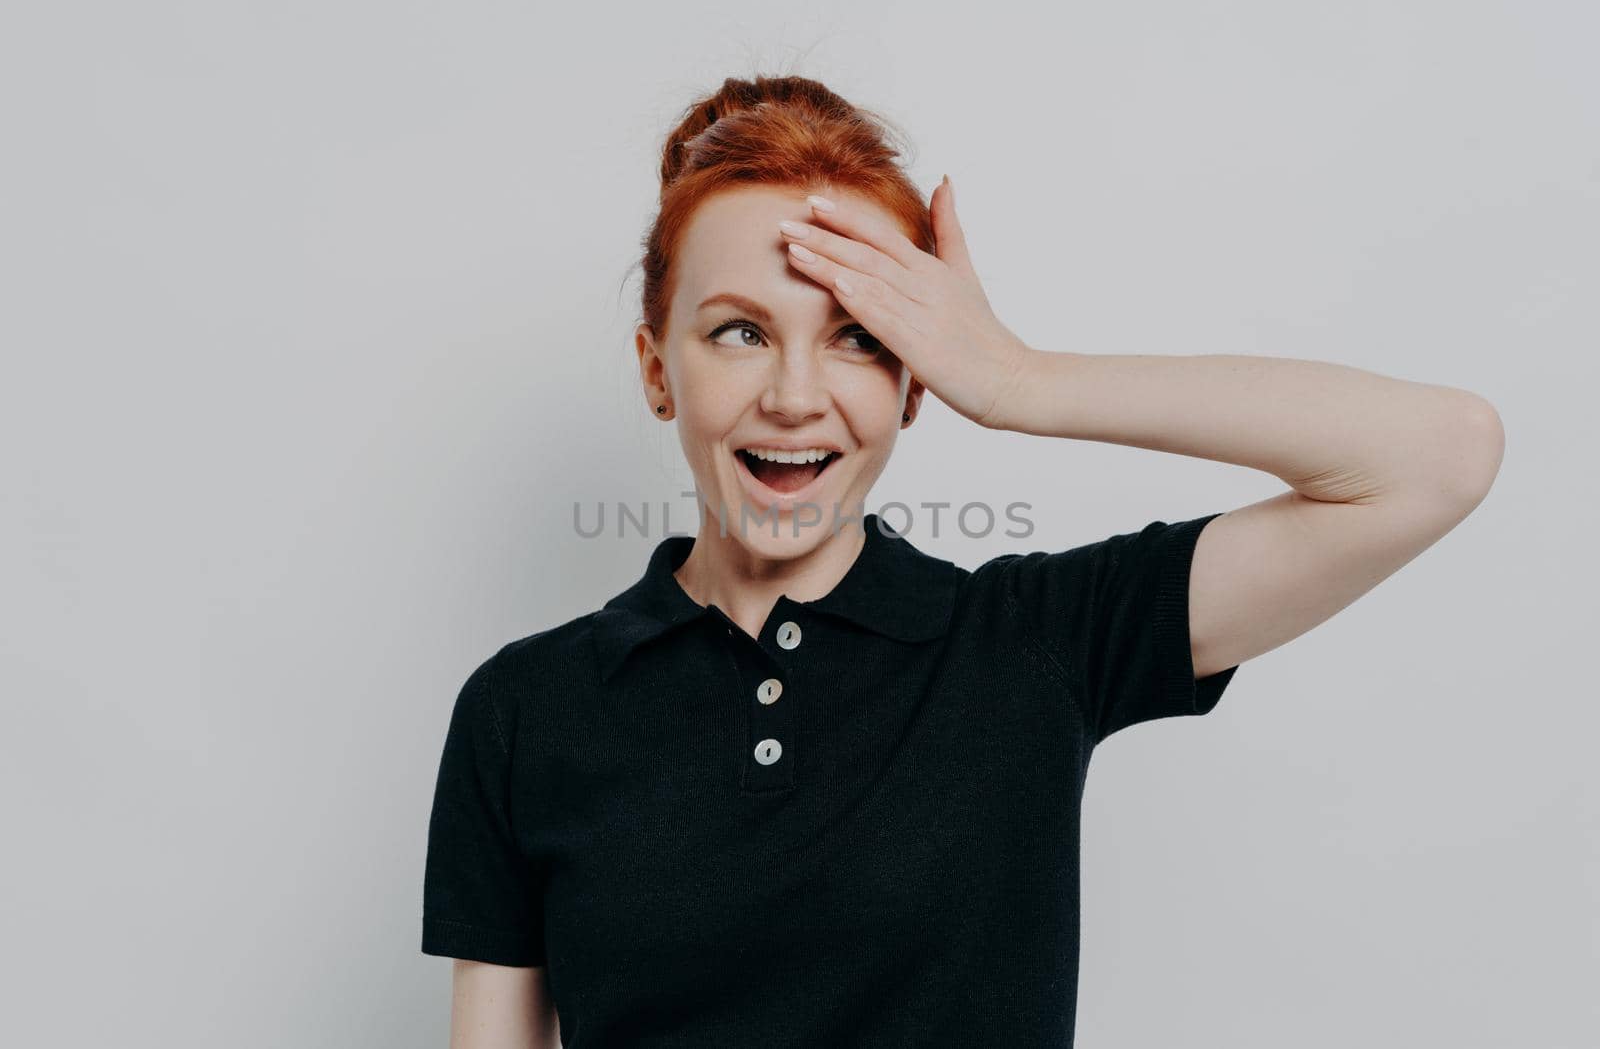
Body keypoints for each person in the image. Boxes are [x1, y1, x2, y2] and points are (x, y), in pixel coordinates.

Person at [420, 73, 1504, 1048]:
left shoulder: (1033, 642)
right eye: (740, 332)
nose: (795, 395)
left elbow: (1438, 457)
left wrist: (1023, 380)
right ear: (660, 371)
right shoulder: (527, 708)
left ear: (918, 380)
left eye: (858, 335)